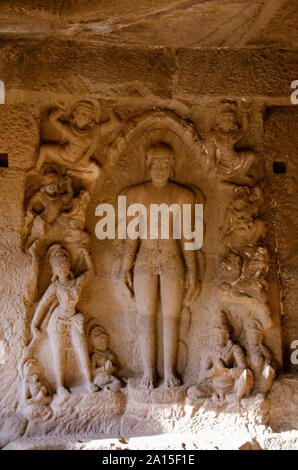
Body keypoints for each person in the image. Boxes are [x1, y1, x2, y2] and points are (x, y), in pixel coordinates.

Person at [120, 142, 199, 389]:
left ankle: (169, 370)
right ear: (147, 164)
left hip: (172, 257)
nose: (160, 168)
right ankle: (148, 371)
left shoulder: (184, 195)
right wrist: (125, 267)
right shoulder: (136, 194)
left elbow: (187, 237)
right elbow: (131, 237)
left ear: (172, 166)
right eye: (155, 162)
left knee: (171, 317)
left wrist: (193, 270)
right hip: (144, 258)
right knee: (145, 316)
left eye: (165, 163)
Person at [31, 244, 97, 398]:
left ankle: (89, 381)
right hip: (58, 321)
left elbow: (92, 273)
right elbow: (43, 304)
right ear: (54, 270)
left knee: (82, 349)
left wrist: (87, 254)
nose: (62, 270)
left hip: (74, 318)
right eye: (58, 268)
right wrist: (35, 324)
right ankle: (60, 386)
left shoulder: (77, 282)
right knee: (59, 353)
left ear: (69, 265)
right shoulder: (55, 286)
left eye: (65, 266)